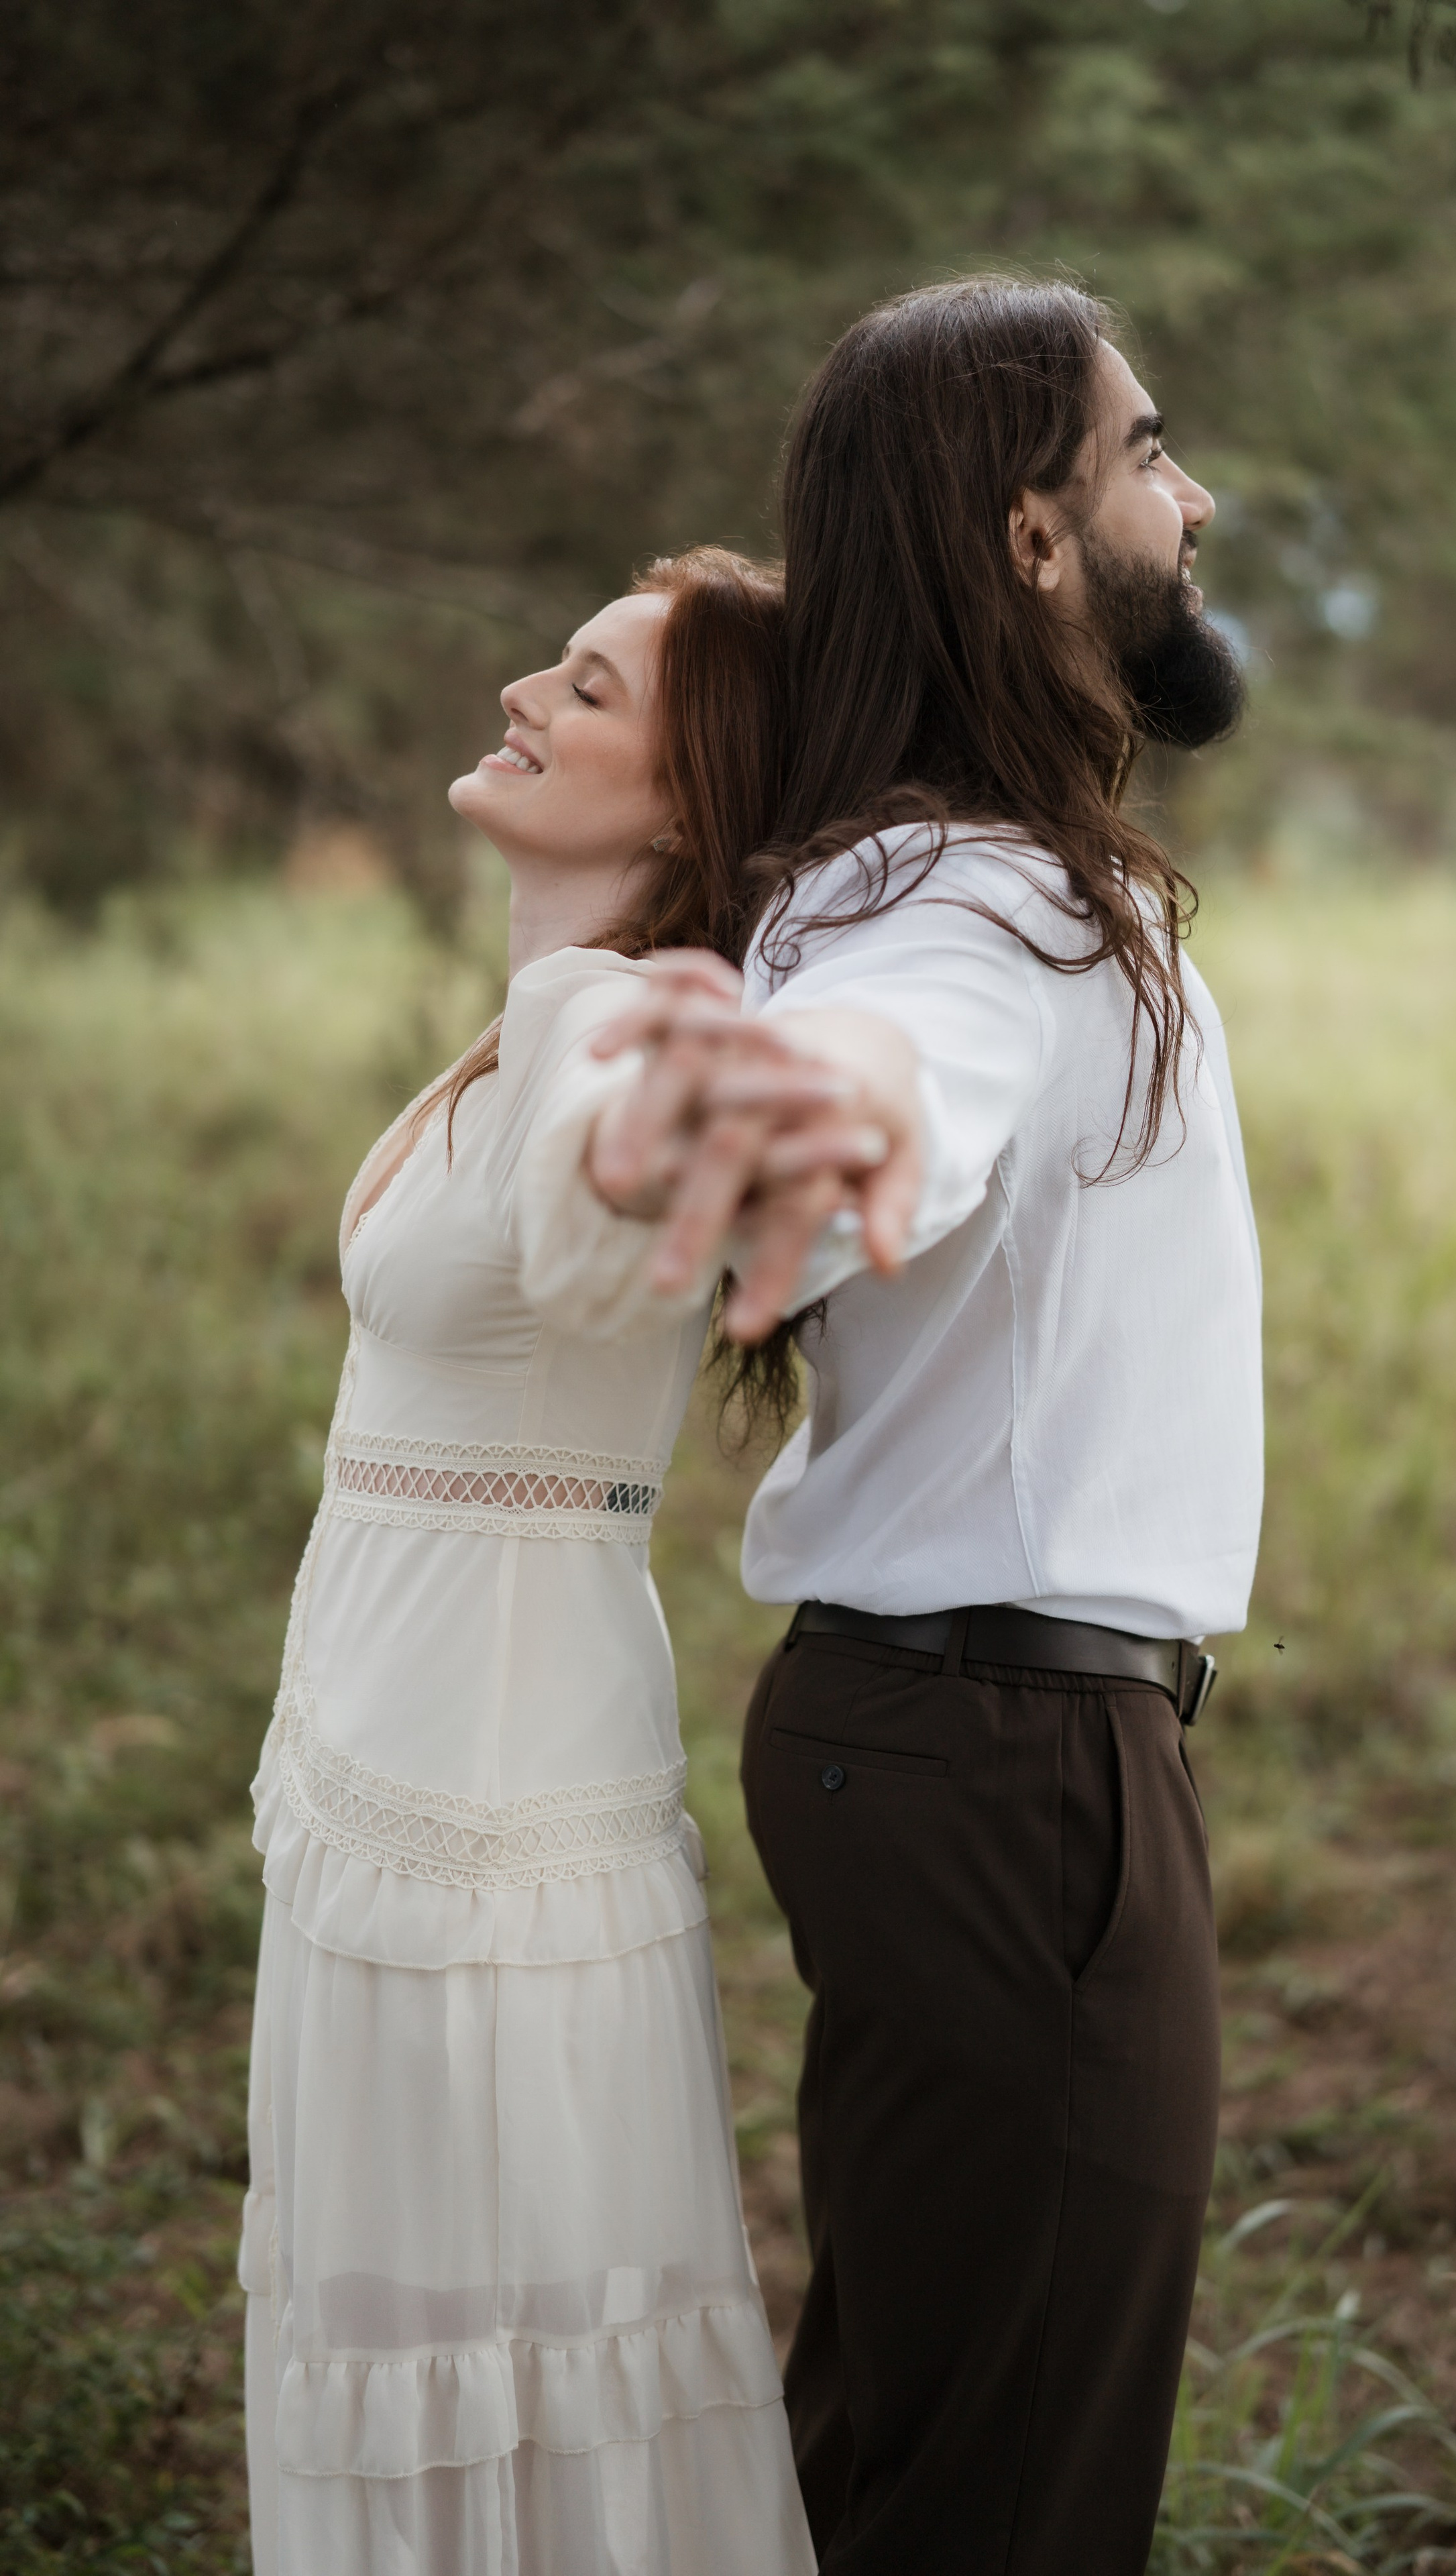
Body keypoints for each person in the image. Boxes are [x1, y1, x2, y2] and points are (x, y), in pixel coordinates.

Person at [579, 278, 1265, 2574]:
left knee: (911, 2454)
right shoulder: (973, 903)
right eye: (1148, 445)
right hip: (1013, 1766)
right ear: (1037, 541)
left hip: (953, 1747)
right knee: (1006, 2506)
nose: (1199, 491)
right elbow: (905, 1065)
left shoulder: (933, 866)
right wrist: (804, 1108)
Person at [239, 546, 869, 2576]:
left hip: (484, 1829)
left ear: (687, 806)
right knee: (411, 2326)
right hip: (382, 1776)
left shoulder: (605, 1033)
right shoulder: (528, 1021)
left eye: (589, 691)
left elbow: (621, 1214)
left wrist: (679, 1126)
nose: (525, 687)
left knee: (507, 2344)